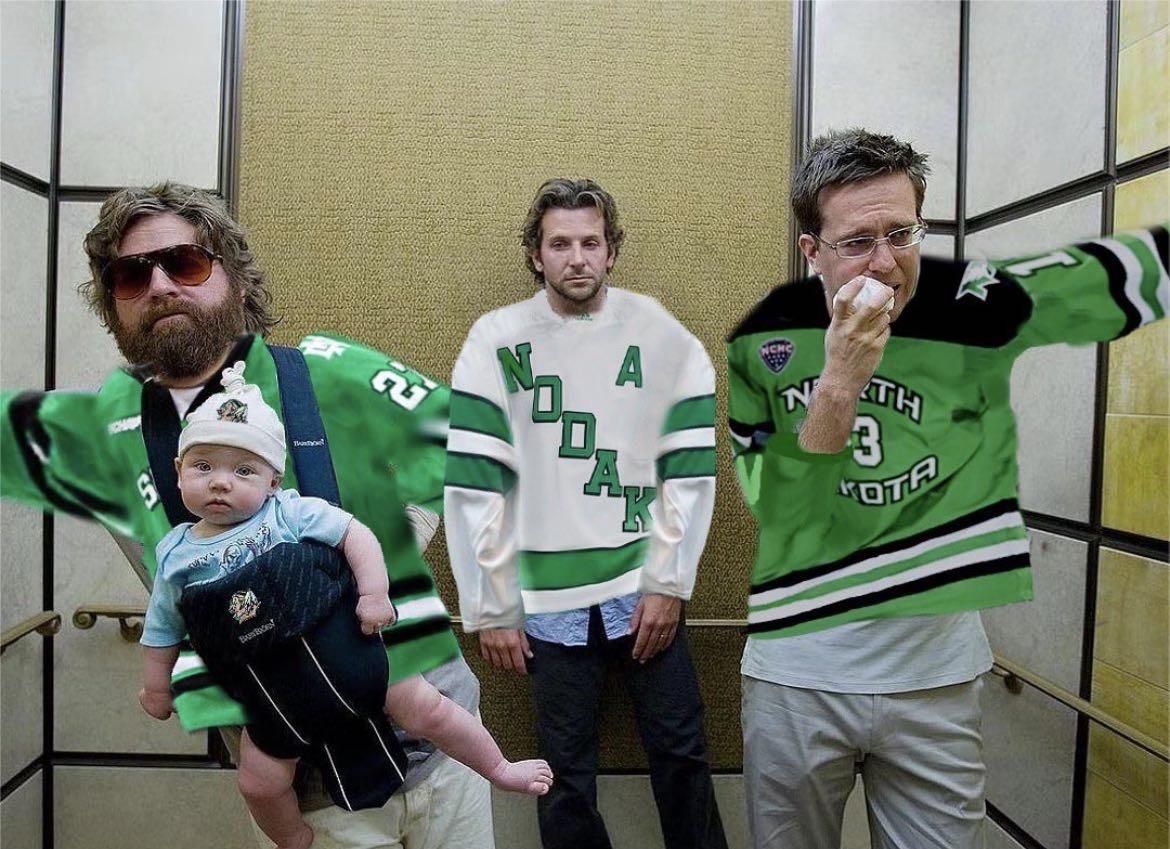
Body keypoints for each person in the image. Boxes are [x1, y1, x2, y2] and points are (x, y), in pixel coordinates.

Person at [0, 183, 495, 849]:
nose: (160, 285)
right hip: (300, 788)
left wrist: (390, 545)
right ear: (113, 303)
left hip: (442, 744)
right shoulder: (106, 442)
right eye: (131, 275)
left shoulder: (331, 372)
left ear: (231, 274)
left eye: (185, 263)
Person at [726, 127, 1168, 849]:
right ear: (812, 250)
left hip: (937, 674)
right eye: (856, 241)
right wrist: (839, 380)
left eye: (901, 234)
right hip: (799, 676)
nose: (885, 262)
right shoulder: (763, 346)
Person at [139, 361, 551, 849]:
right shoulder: (175, 554)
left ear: (273, 480)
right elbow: (161, 628)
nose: (220, 483)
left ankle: (498, 767)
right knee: (258, 782)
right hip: (275, 703)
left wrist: (374, 595)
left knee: (429, 709)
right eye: (203, 467)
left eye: (243, 470)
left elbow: (356, 536)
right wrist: (156, 687)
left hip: (354, 659)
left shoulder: (290, 512)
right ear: (178, 472)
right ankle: (293, 837)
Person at [444, 177, 727, 849]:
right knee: (564, 773)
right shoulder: (495, 342)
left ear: (611, 251)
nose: (577, 258)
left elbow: (686, 467)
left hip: (643, 588)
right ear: (535, 254)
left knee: (682, 753)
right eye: (560, 243)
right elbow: (475, 480)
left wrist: (670, 581)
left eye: (591, 243)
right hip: (549, 600)